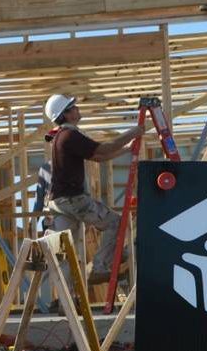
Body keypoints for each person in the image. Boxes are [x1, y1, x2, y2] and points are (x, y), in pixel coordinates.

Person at [42, 93, 143, 285]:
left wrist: (126, 149)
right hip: (73, 198)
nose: (78, 110)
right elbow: (105, 148)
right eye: (74, 107)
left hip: (58, 202)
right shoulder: (70, 135)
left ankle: (67, 302)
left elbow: (98, 157)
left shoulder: (61, 137)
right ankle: (100, 266)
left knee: (67, 252)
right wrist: (135, 131)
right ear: (67, 114)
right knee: (116, 223)